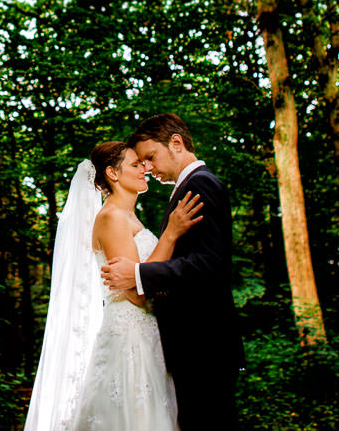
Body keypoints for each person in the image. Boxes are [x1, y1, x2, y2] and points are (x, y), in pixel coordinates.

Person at [24, 141, 202, 431]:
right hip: (130, 336)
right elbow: (136, 294)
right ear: (113, 173)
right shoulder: (111, 218)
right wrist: (170, 235)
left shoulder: (129, 217)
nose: (145, 168)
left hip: (148, 333)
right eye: (135, 164)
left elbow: (141, 276)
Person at [100, 114, 243, 430]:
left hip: (204, 347)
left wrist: (138, 276)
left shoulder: (200, 185)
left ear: (176, 143)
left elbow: (209, 266)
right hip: (191, 347)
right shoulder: (186, 188)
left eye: (150, 157)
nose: (148, 167)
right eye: (141, 162)